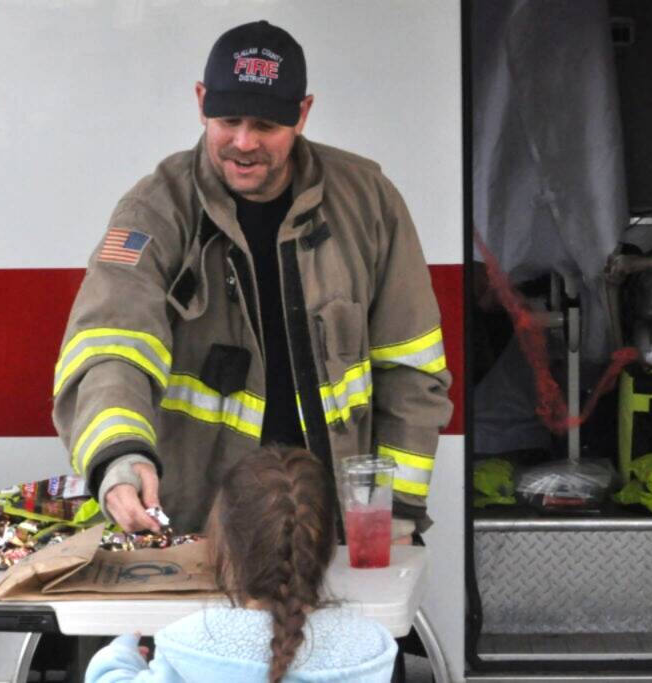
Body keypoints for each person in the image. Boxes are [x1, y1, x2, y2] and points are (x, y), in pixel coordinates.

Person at [53, 20, 452, 540]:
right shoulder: (152, 212)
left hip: (332, 528)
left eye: (265, 125)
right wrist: (121, 457)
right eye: (229, 119)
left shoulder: (369, 203)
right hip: (201, 529)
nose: (243, 143)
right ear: (201, 101)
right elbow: (110, 347)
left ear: (303, 114)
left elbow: (411, 371)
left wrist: (392, 512)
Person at [85, 446, 397, 682]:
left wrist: (117, 659)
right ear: (328, 547)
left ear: (223, 547)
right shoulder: (368, 648)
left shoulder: (188, 645)